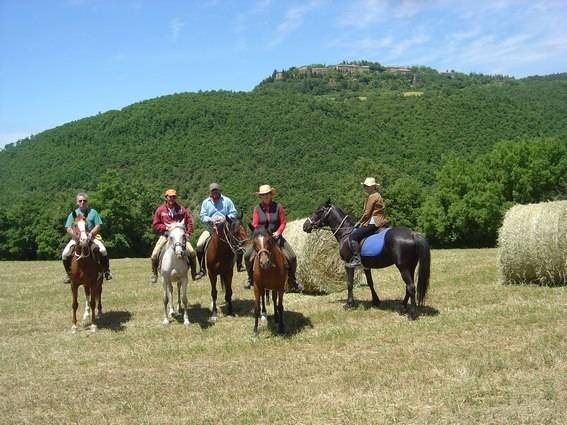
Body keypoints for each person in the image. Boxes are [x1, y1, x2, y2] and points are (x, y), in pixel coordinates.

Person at [243, 184, 304, 292]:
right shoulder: (257, 209)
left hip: (276, 237)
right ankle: (250, 278)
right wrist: (261, 233)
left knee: (292, 257)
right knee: (247, 256)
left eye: (267, 194)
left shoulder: (278, 207)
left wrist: (278, 232)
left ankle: (292, 280)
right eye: (263, 195)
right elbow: (255, 223)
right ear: (260, 197)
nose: (265, 196)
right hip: (262, 238)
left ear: (271, 195)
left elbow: (283, 222)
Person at [62, 192, 112, 283]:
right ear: (77, 202)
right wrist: (75, 235)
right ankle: (68, 274)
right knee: (65, 254)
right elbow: (68, 228)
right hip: (77, 238)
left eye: (84, 201)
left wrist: (91, 234)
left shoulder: (93, 212)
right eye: (80, 201)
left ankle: (106, 271)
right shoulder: (73, 214)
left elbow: (98, 225)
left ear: (87, 202)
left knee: (103, 250)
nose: (82, 202)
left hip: (92, 237)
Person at [150, 189, 197, 283]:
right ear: (166, 197)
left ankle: (194, 273)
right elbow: (155, 224)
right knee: (154, 254)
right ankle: (154, 274)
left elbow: (189, 222)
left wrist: (188, 233)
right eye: (170, 196)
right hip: (166, 235)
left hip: (179, 237)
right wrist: (165, 228)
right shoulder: (160, 210)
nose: (172, 198)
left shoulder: (181, 209)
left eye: (174, 197)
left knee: (192, 252)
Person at [194, 182, 238, 280]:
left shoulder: (227, 200)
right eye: (213, 191)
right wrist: (210, 219)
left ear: (219, 191)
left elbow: (234, 213)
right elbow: (202, 216)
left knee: (237, 242)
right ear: (210, 192)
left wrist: (225, 219)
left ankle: (239, 265)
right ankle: (202, 269)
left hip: (225, 229)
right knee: (199, 245)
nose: (215, 193)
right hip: (211, 229)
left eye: (216, 191)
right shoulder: (206, 202)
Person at [346, 177, 389, 268]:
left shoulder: (372, 196)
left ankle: (357, 260)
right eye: (364, 186)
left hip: (374, 221)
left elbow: (367, 213)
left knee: (353, 236)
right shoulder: (377, 194)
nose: (365, 188)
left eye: (367, 186)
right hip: (380, 220)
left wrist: (360, 222)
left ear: (373, 187)